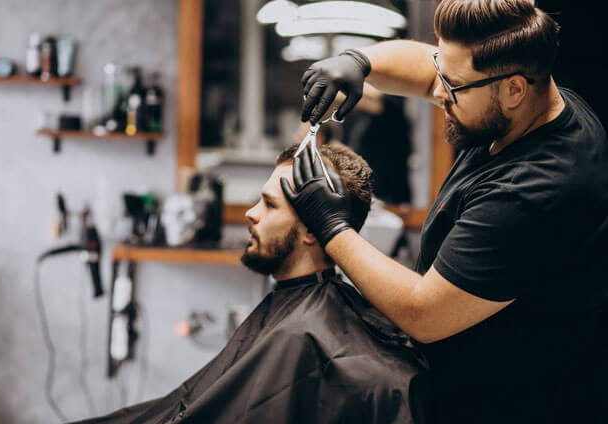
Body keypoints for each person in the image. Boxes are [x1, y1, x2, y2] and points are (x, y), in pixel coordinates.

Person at [282, 0, 608, 422]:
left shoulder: (533, 192)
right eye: (442, 71)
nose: (437, 93)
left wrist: (332, 226)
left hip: (513, 407)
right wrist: (359, 60)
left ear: (513, 90)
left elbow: (424, 313)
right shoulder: (528, 101)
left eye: (452, 86)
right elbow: (429, 70)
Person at [73, 143, 428, 424]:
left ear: (312, 229)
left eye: (269, 205)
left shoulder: (308, 335)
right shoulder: (301, 318)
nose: (250, 213)